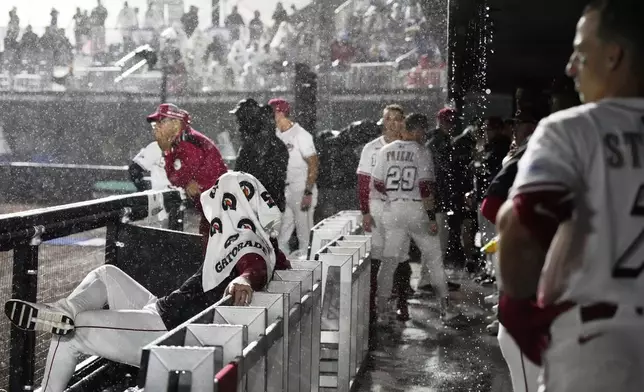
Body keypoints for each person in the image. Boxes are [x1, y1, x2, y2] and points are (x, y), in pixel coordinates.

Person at [3, 172, 291, 392]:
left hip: (167, 332)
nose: (208, 216)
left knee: (71, 333)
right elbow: (273, 263)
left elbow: (254, 268)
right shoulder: (262, 242)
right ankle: (62, 309)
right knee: (106, 274)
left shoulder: (248, 245)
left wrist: (245, 279)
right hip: (163, 312)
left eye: (215, 205)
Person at [496, 1, 644, 390]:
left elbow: (521, 232)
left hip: (600, 347)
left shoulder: (572, 129)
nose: (570, 67)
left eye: (580, 53)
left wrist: (525, 319)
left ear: (614, 55)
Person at [372, 113, 459, 323]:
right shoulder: (421, 150)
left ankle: (382, 310)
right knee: (435, 259)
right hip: (416, 208)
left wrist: (392, 196)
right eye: (422, 130)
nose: (424, 134)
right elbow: (425, 187)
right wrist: (431, 218)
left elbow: (377, 183)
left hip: (393, 210)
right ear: (416, 130)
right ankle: (445, 309)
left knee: (389, 261)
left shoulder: (385, 150)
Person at [146, 103, 228, 253]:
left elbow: (179, 178)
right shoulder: (183, 140)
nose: (156, 126)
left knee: (214, 250)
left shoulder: (187, 142)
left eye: (161, 121)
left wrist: (165, 150)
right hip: (216, 205)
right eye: (155, 123)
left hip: (221, 206)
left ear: (176, 124)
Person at [357, 105, 406, 329]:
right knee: (376, 256)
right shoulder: (371, 148)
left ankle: (402, 302)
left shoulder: (411, 148)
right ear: (383, 121)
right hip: (376, 206)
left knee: (400, 256)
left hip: (401, 207)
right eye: (389, 119)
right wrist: (365, 211)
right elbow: (363, 182)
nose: (393, 123)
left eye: (398, 119)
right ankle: (374, 305)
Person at [269, 98, 319, 256]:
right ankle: (284, 271)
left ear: (280, 113)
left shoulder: (301, 134)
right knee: (281, 235)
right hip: (284, 190)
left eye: (271, 113)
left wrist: (308, 192)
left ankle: (310, 273)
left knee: (304, 235)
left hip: (300, 187)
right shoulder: (275, 134)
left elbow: (313, 163)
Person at [231, 98, 288, 212]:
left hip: (263, 202)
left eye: (240, 118)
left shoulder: (260, 142)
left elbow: (259, 173)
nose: (238, 123)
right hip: (264, 200)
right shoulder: (259, 140)